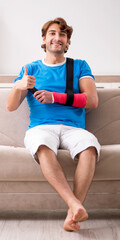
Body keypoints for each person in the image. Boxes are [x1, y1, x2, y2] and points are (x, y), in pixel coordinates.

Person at [6, 17, 100, 232]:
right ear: (44, 39)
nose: (57, 38)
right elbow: (11, 106)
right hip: (41, 127)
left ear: (67, 42)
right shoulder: (29, 69)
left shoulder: (79, 66)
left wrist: (55, 97)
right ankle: (75, 205)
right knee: (42, 145)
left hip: (73, 128)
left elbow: (92, 100)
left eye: (62, 35)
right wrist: (19, 86)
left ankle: (72, 214)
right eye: (52, 33)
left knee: (90, 147)